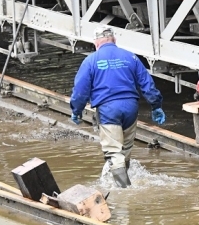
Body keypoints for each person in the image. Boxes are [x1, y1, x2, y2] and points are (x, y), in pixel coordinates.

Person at [69, 26, 165, 187]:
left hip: (108, 109)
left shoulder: (90, 61)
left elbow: (80, 91)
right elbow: (147, 85)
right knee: (125, 150)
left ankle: (125, 192)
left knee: (114, 153)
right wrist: (156, 105)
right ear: (114, 40)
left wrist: (76, 110)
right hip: (131, 107)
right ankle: (122, 180)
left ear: (96, 43)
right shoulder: (130, 57)